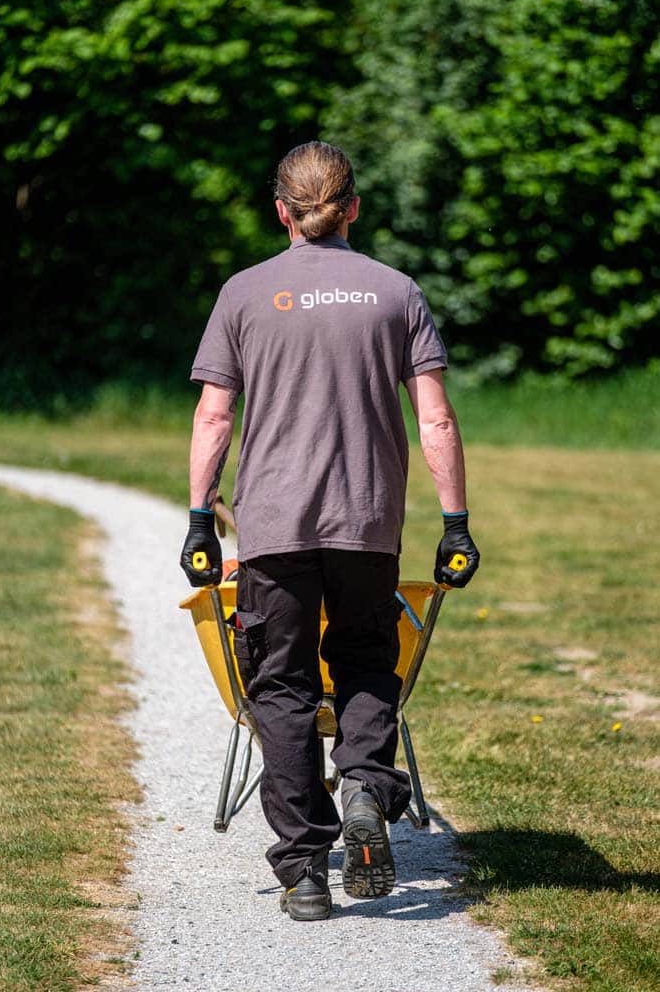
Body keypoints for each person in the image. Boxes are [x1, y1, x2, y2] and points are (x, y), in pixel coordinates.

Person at [180, 141, 479, 922]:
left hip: (275, 528)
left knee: (277, 686)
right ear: (352, 207)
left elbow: (215, 414)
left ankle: (305, 872)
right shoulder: (395, 292)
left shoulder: (243, 294)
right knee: (365, 663)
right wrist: (455, 522)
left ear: (281, 211)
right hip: (366, 524)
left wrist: (196, 516)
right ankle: (366, 795)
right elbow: (435, 417)